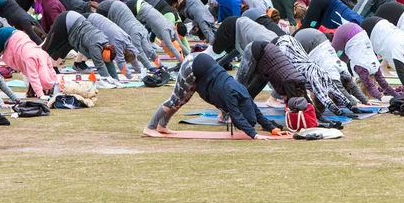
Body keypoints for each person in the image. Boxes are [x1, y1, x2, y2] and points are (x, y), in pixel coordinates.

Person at [144, 53, 283, 139]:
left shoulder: (244, 94)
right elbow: (236, 115)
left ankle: (162, 125)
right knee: (175, 100)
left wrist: (273, 129)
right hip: (192, 65)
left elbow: (256, 112)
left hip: (204, 68)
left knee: (182, 100)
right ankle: (150, 127)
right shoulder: (231, 94)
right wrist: (254, 134)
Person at [273, 34, 357, 117]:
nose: (311, 97)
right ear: (314, 96)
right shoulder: (316, 79)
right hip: (285, 45)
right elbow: (325, 99)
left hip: (291, 43)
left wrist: (351, 107)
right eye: (313, 98)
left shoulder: (322, 75)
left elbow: (336, 91)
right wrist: (341, 112)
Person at [294, 28, 370, 106]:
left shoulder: (342, 66)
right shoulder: (332, 70)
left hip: (318, 37)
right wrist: (355, 104)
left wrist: (365, 101)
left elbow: (352, 86)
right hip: (306, 40)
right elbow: (340, 90)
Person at [42, 11, 120, 85]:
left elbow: (108, 62)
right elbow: (100, 65)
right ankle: (34, 66)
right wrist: (108, 79)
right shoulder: (95, 46)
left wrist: (115, 79)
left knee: (61, 51)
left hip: (74, 30)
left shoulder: (106, 45)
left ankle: (53, 69)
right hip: (65, 20)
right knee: (47, 48)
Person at [332, 22, 400, 102]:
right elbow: (370, 86)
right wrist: (382, 97)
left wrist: (396, 95)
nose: (374, 82)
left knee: (341, 66)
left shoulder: (375, 67)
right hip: (345, 32)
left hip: (358, 32)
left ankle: (339, 91)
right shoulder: (362, 68)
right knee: (332, 59)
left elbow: (383, 83)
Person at [0, 27, 56, 99]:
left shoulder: (44, 54)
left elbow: (52, 71)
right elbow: (33, 76)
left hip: (16, 34)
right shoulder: (31, 58)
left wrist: (55, 84)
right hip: (3, 36)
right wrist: (40, 94)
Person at [236, 40, 307, 104]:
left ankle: (245, 109)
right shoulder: (289, 82)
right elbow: (293, 105)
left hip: (266, 63)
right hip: (256, 50)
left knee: (252, 93)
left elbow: (306, 100)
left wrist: (317, 115)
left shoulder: (300, 83)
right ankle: (227, 110)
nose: (282, 98)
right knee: (238, 86)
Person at [96, 0, 157, 72]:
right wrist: (150, 68)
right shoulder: (136, 34)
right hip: (106, 9)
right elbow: (138, 52)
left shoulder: (144, 32)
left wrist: (159, 66)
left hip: (117, 5)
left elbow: (149, 51)